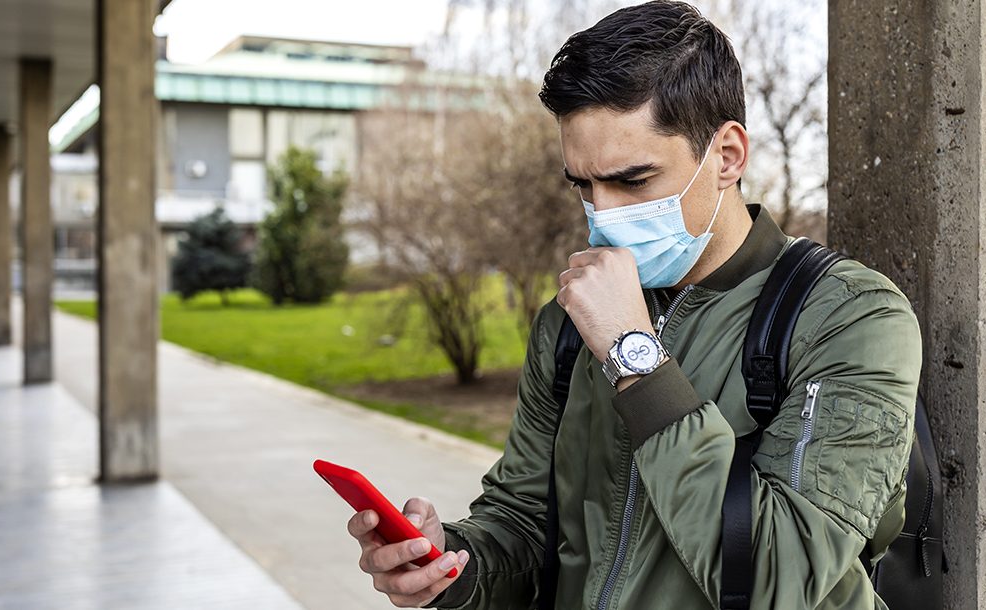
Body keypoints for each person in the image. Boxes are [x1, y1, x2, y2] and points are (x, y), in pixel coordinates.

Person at [344, 1, 921, 608]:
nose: (605, 215)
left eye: (633, 180)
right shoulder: (568, 326)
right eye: (584, 185)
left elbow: (781, 575)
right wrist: (449, 566)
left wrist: (633, 356)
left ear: (727, 156)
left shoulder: (852, 317)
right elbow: (522, 522)